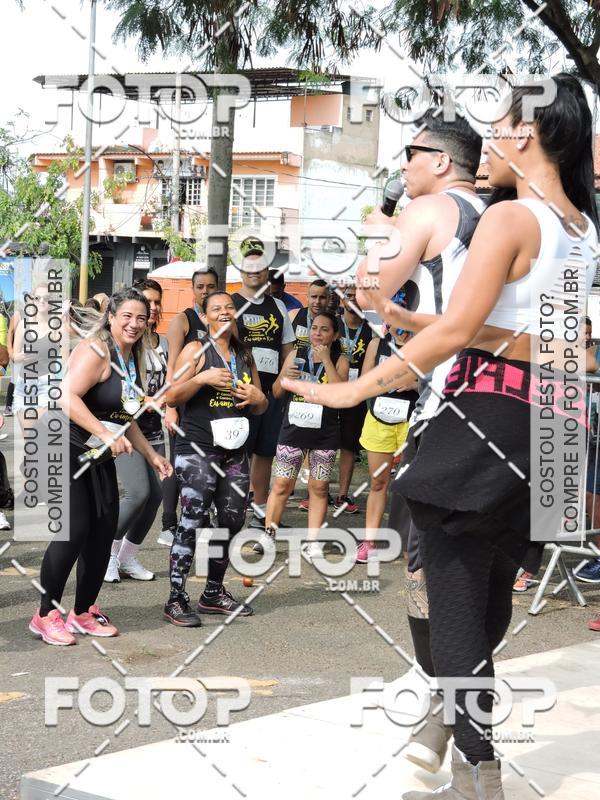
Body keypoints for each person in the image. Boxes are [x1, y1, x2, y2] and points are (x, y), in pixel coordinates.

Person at [283, 74, 599, 799]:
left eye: (496, 126)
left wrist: (353, 387)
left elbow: (463, 331)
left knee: (451, 603)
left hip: (484, 419)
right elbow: (538, 341)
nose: (485, 142)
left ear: (527, 134)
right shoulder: (583, 227)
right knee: (489, 588)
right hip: (554, 424)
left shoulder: (509, 220)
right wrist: (409, 325)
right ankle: (444, 724)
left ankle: (476, 771)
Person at [353, 109, 484, 772]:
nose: (403, 165)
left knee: (422, 568)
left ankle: (444, 701)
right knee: (479, 576)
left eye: (410, 153)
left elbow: (370, 288)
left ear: (439, 160)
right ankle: (464, 732)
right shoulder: (510, 219)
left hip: (447, 409)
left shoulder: (430, 211)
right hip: (517, 414)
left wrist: (383, 221)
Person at [29, 288, 172, 646]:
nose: (134, 324)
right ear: (111, 317)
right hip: (63, 442)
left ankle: (82, 612)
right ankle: (45, 615)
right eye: (127, 316)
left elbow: (126, 414)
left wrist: (151, 455)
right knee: (74, 530)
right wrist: (104, 434)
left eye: (141, 317)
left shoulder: (131, 357)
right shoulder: (97, 350)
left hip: (95, 451)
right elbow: (66, 396)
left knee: (103, 527)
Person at [163, 291, 267, 626]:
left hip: (234, 450)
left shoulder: (244, 354)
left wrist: (257, 396)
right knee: (191, 521)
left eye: (229, 308)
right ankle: (176, 599)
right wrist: (201, 378)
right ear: (205, 317)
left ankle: (213, 592)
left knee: (234, 519)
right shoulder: (196, 350)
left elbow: (262, 404)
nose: (224, 313)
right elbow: (172, 395)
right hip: (197, 448)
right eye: (216, 309)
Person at [254, 311, 348, 559]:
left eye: (324, 329)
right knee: (283, 484)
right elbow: (275, 392)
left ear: (335, 334)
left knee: (319, 487)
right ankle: (269, 535)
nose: (317, 333)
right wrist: (285, 379)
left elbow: (341, 396)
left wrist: (326, 361)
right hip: (293, 429)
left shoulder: (340, 359)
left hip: (324, 433)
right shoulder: (296, 355)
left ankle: (313, 540)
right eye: (314, 328)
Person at [104, 279, 169, 582]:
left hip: (148, 427)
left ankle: (126, 556)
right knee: (139, 492)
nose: (151, 309)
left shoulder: (156, 344)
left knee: (155, 495)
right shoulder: (116, 346)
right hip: (116, 429)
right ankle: (106, 553)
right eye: (145, 303)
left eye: (155, 303)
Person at [231, 247, 296, 530]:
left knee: (264, 453)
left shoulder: (278, 307)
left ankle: (259, 513)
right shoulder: (230, 303)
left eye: (261, 267)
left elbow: (289, 349)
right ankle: (227, 508)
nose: (255, 272)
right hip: (237, 393)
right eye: (249, 267)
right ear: (241, 271)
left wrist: (281, 383)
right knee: (234, 452)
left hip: (270, 394)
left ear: (268, 272)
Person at [160, 267, 219, 546]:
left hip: (213, 408)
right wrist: (171, 407)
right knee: (177, 463)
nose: (205, 291)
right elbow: (172, 366)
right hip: (185, 403)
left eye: (211, 286)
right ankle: (168, 523)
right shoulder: (184, 319)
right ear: (192, 289)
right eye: (200, 286)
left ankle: (200, 517)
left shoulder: (222, 319)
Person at [355, 327, 419, 562]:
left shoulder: (424, 342)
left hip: (410, 419)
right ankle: (369, 541)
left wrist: (414, 382)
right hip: (380, 418)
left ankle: (409, 543)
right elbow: (365, 382)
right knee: (378, 481)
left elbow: (435, 383)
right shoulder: (377, 344)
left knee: (409, 484)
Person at [335, 284, 373, 514]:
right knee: (321, 441)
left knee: (349, 444)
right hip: (331, 389)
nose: (353, 300)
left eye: (358, 296)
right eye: (348, 296)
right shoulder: (332, 324)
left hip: (356, 394)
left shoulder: (372, 330)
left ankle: (342, 495)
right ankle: (314, 492)